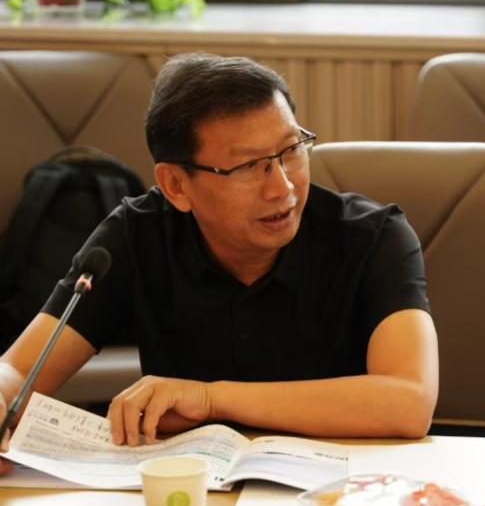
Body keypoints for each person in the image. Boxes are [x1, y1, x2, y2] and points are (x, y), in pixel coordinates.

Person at [0, 52, 438, 466]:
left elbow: (410, 400)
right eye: (247, 167)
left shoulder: (374, 238)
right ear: (176, 186)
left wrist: (211, 399)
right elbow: (17, 370)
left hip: (339, 492)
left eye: (291, 151)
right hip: (190, 489)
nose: (282, 188)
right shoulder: (137, 236)